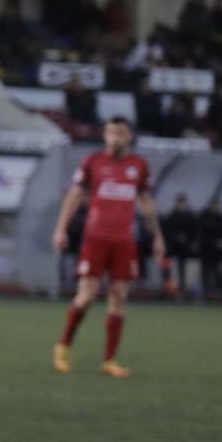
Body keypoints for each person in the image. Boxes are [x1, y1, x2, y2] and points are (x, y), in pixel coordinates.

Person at [51, 117, 166, 378]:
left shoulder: (139, 166)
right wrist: (60, 229)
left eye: (121, 133)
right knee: (87, 295)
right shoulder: (92, 162)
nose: (115, 137)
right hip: (95, 238)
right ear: (104, 135)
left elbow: (146, 204)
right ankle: (63, 347)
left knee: (118, 298)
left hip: (124, 241)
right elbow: (74, 196)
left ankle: (109, 360)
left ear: (130, 137)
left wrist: (158, 237)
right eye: (111, 132)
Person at [161, 192, 198, 295]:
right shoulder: (170, 216)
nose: (181, 204)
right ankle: (167, 286)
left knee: (182, 267)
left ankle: (182, 288)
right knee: (166, 264)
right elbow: (167, 232)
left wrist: (189, 240)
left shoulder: (191, 217)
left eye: (183, 202)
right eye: (180, 202)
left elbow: (194, 232)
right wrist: (175, 238)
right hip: (172, 246)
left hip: (185, 247)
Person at [197, 194, 222, 297]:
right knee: (205, 270)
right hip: (206, 249)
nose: (216, 206)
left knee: (216, 269)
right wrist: (215, 242)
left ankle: (215, 291)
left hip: (217, 251)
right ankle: (204, 292)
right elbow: (201, 234)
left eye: (217, 204)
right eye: (214, 204)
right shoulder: (203, 217)